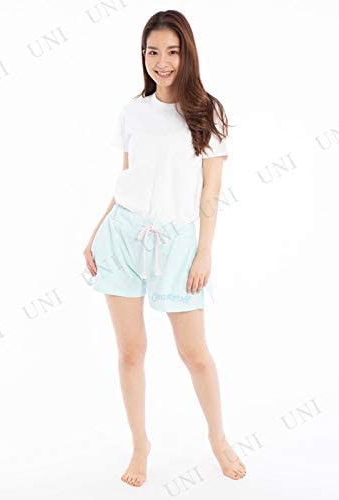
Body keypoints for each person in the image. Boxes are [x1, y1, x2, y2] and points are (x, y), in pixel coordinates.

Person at [83, 9, 246, 487]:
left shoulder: (208, 112)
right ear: (143, 56)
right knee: (130, 351)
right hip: (122, 237)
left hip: (177, 244)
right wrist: (96, 233)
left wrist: (204, 252)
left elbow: (210, 192)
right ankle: (140, 445)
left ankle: (218, 439)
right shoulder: (133, 112)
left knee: (194, 352)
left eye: (172, 52)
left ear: (187, 53)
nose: (162, 62)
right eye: (153, 52)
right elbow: (127, 179)